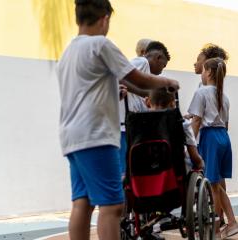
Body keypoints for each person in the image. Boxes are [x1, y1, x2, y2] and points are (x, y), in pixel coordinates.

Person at [56, 1, 178, 239]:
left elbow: (87, 89)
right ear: (105, 18)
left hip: (73, 137)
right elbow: (139, 80)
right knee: (112, 206)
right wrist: (167, 83)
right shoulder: (101, 44)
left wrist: (115, 91)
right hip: (97, 136)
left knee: (82, 203)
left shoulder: (69, 51)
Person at [188, 58, 238, 239]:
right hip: (224, 138)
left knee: (212, 185)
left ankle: (216, 230)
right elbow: (225, 123)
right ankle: (232, 222)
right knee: (216, 185)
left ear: (209, 72)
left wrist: (190, 145)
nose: (201, 74)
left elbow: (196, 121)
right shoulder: (223, 97)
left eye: (203, 70)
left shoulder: (201, 92)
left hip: (210, 138)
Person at [118, 41, 171, 176]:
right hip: (124, 127)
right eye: (163, 66)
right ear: (158, 57)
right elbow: (120, 76)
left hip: (131, 126)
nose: (161, 71)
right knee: (124, 170)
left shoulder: (145, 72)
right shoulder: (142, 62)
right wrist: (145, 92)